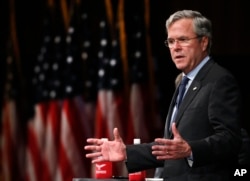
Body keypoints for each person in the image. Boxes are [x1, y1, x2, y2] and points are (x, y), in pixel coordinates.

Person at [84, 10, 243, 181]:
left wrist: (190, 150)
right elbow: (170, 149)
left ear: (204, 42)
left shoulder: (218, 80)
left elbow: (230, 139)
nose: (175, 47)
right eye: (171, 41)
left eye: (183, 40)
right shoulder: (183, 82)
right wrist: (127, 152)